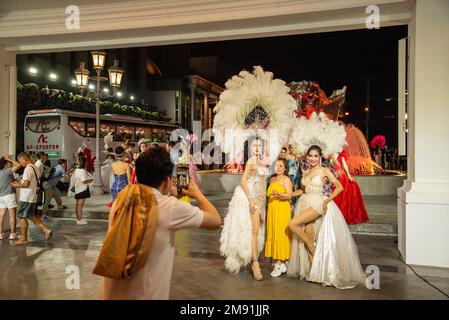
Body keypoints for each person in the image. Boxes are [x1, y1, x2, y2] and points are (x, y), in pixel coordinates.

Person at [99, 147, 221, 300]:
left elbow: (152, 203)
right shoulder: (170, 207)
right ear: (167, 180)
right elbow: (215, 221)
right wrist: (197, 194)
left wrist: (169, 193)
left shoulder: (123, 197)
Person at [287, 145, 366, 289]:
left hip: (317, 203)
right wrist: (288, 195)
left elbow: (339, 187)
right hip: (304, 203)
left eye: (315, 156)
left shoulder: (325, 170)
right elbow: (302, 190)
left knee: (293, 224)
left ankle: (312, 247)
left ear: (320, 157)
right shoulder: (307, 170)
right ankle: (315, 272)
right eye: (310, 155)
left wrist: (326, 201)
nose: (312, 158)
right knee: (309, 236)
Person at [220, 136, 269, 280]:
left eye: (259, 146)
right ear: (249, 148)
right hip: (250, 198)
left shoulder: (263, 162)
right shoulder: (251, 162)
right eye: (254, 146)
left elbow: (262, 184)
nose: (257, 148)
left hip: (260, 200)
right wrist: (251, 200)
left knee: (256, 230)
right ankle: (255, 264)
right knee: (253, 231)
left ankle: (252, 257)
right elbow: (243, 181)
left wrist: (263, 203)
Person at [11, 152, 53, 245]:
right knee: (31, 215)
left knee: (22, 216)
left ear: (23, 159)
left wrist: (16, 185)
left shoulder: (28, 168)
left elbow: (26, 184)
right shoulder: (35, 167)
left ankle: (24, 238)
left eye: (20, 161)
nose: (20, 163)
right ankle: (46, 230)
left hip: (26, 197)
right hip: (33, 196)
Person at [265, 158, 292, 277]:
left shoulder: (286, 179)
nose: (278, 168)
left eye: (281, 166)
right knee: (273, 232)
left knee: (281, 233)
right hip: (272, 209)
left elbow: (289, 195)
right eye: (276, 165)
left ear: (285, 168)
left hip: (282, 209)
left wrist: (280, 194)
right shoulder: (272, 179)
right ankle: (278, 261)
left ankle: (280, 261)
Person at [331, 152, 368, 225]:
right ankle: (334, 216)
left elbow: (345, 166)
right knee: (335, 197)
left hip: (341, 177)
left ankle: (342, 216)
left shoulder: (341, 155)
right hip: (333, 178)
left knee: (342, 197)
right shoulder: (329, 155)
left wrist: (348, 176)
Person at [0, 156, 21, 240]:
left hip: (1, 196)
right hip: (9, 195)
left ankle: (0, 233)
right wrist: (10, 159)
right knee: (12, 214)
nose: (10, 164)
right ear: (6, 163)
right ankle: (13, 233)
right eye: (8, 163)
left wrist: (13, 181)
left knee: (1, 215)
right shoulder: (7, 171)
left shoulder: (1, 172)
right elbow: (19, 165)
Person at [70, 156, 93, 225]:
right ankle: (80, 220)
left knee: (77, 204)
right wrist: (90, 180)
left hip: (77, 189)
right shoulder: (83, 171)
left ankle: (78, 219)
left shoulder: (76, 170)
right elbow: (84, 180)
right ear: (85, 162)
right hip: (82, 189)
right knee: (80, 205)